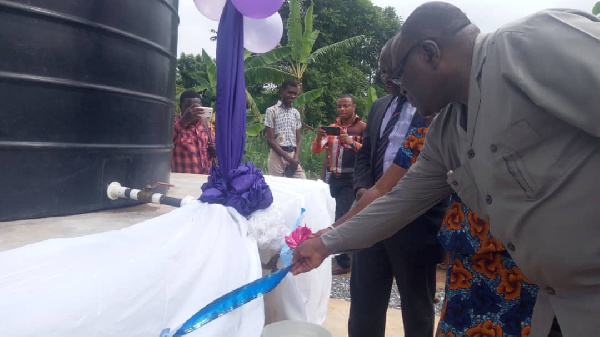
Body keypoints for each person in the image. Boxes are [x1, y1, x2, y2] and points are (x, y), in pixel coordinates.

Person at [292, 3, 600, 336]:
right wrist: (325, 245)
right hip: (557, 303)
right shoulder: (445, 131)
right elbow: (398, 202)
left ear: (429, 53)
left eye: (397, 74)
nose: (394, 85)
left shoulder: (528, 46)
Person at [315, 115, 539, 336]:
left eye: (406, 77)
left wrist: (328, 240)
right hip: (468, 258)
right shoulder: (429, 128)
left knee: (417, 311)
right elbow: (391, 193)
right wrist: (329, 237)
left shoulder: (516, 109)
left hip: (526, 257)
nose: (405, 88)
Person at [344, 40, 445, 337]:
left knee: (417, 308)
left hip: (416, 225)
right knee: (364, 303)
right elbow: (364, 155)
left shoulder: (434, 108)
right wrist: (362, 190)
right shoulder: (378, 107)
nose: (386, 77)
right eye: (382, 71)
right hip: (370, 216)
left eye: (392, 70)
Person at [312, 94, 366, 275]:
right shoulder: (332, 128)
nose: (342, 109)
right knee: (328, 214)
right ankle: (335, 256)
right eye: (339, 106)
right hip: (333, 177)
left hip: (351, 178)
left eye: (346, 106)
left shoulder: (362, 128)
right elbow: (317, 150)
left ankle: (344, 263)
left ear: (354, 107)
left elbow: (369, 151)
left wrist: (352, 143)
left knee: (341, 216)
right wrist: (319, 138)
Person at [264, 79, 305, 179]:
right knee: (279, 188)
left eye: (295, 93)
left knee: (303, 183)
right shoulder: (272, 111)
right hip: (277, 156)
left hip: (292, 155)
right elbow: (270, 140)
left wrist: (295, 159)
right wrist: (287, 158)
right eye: (289, 92)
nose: (292, 96)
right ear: (282, 91)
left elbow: (298, 139)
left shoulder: (295, 113)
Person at [171, 90, 216, 174]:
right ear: (181, 107)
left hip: (205, 181)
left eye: (197, 107)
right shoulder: (173, 125)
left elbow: (214, 145)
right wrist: (183, 121)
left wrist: (215, 150)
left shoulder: (206, 125)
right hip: (183, 182)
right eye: (189, 107)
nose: (193, 110)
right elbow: (165, 141)